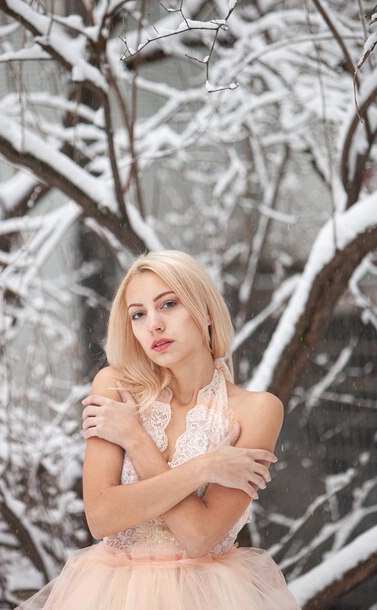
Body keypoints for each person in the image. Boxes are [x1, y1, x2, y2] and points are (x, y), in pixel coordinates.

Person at [16, 250, 300, 609]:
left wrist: (134, 439)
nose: (153, 325)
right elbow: (101, 517)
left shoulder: (257, 410)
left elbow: (200, 537)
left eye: (168, 305)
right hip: (108, 594)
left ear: (207, 312)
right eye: (138, 314)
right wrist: (205, 467)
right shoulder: (115, 387)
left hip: (211, 597)